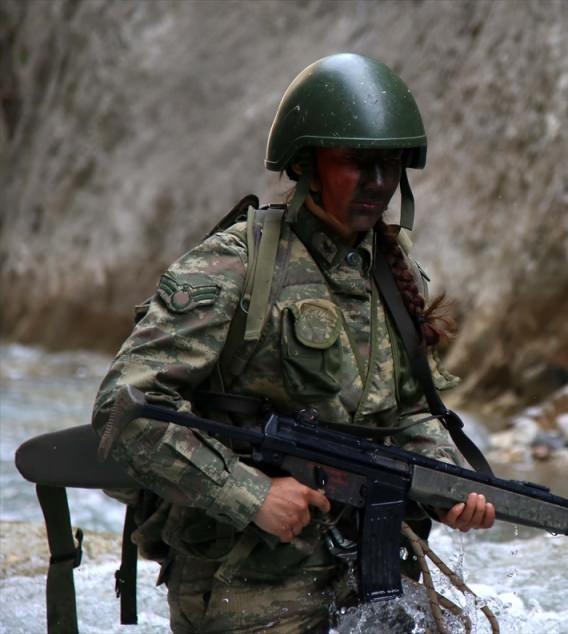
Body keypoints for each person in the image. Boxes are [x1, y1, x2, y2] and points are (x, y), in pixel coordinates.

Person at [91, 53, 495, 633]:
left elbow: (407, 411)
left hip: (362, 569)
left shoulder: (392, 271)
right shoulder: (236, 264)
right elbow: (124, 409)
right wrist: (250, 494)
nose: (378, 184)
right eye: (357, 163)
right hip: (246, 586)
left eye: (391, 165)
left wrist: (449, 486)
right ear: (307, 165)